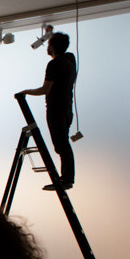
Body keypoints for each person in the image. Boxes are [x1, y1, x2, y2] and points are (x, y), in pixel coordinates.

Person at [18, 31, 77, 190]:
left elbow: (45, 89)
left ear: (52, 47)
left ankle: (66, 180)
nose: (47, 47)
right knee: (63, 144)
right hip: (67, 109)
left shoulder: (54, 64)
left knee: (61, 145)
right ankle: (67, 179)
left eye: (49, 44)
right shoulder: (70, 60)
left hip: (56, 108)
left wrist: (25, 91)